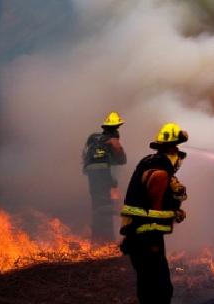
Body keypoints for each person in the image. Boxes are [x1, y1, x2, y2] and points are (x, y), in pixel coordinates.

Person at [120, 123, 189, 304]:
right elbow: (153, 212)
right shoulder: (160, 173)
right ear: (170, 149)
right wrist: (173, 215)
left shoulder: (148, 164)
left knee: (148, 286)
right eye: (177, 150)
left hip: (139, 235)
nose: (179, 156)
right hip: (147, 238)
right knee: (159, 289)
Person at [81, 112, 127, 242]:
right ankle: (106, 238)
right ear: (116, 126)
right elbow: (120, 158)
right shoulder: (113, 138)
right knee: (106, 204)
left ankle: (97, 237)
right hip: (103, 173)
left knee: (97, 204)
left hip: (92, 173)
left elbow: (85, 157)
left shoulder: (95, 139)